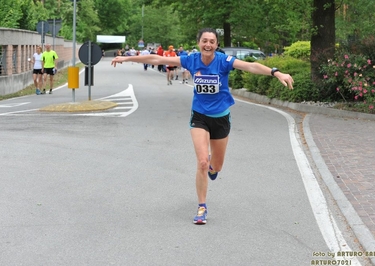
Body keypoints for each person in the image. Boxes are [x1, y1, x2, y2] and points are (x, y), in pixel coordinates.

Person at [111, 28, 294, 225]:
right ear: (199, 42)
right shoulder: (191, 59)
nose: (208, 44)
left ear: (216, 45)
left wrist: (276, 72)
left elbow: (251, 66)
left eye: (212, 41)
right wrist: (127, 59)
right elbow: (157, 60)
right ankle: (202, 207)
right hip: (199, 116)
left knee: (216, 166)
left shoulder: (224, 61)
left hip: (221, 118)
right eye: (204, 40)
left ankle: (213, 168)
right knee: (202, 163)